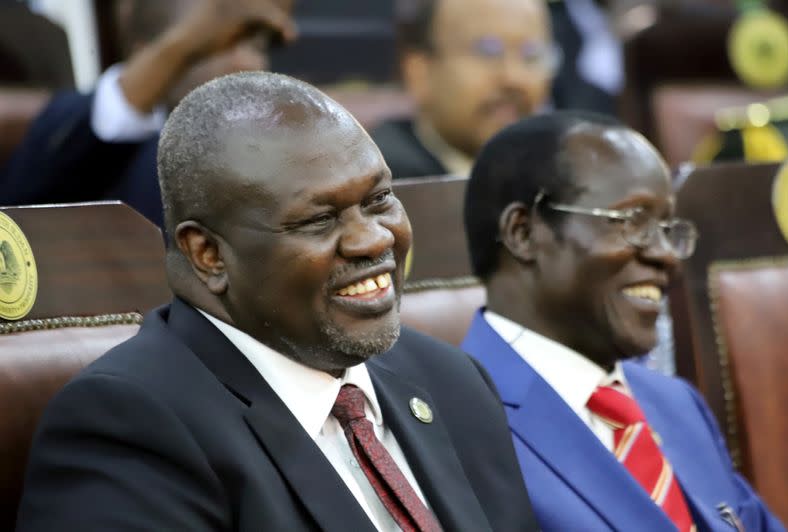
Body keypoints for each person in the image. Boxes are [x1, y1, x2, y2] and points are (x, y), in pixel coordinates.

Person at [15, 72, 539, 532]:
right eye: (319, 220)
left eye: (379, 200)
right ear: (208, 254)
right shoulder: (129, 426)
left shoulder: (451, 380)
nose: (373, 240)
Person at [460, 111, 785, 531]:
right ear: (524, 233)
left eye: (667, 228)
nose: (666, 254)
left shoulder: (675, 403)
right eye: (632, 221)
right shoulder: (459, 419)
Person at [0, 0, 295, 228]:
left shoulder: (279, 153)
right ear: (147, 53)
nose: (246, 61)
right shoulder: (82, 146)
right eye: (211, 47)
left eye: (255, 45)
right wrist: (185, 42)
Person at [370, 0, 558, 179]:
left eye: (531, 55)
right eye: (488, 51)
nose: (514, 78)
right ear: (419, 73)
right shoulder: (377, 189)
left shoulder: (563, 176)